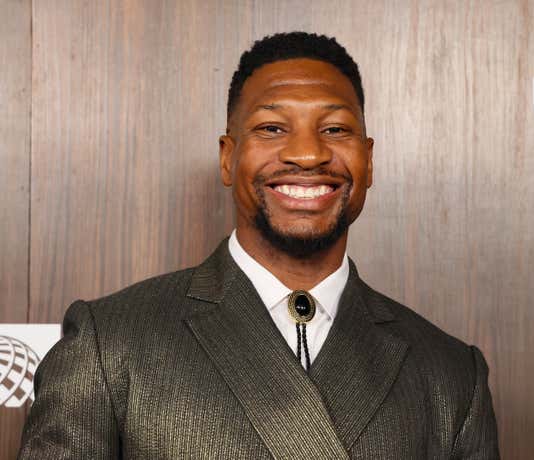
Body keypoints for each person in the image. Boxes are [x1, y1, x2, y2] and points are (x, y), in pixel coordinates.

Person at [19, 32, 499, 459]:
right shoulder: (110, 343)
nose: (308, 154)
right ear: (229, 158)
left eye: (335, 129)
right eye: (272, 128)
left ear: (368, 161)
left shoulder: (452, 375)